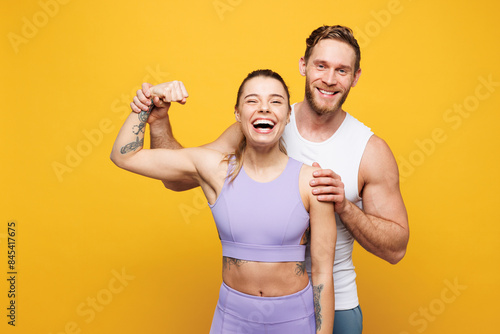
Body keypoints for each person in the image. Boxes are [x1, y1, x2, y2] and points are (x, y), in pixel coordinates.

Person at [131, 25, 409, 334]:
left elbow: (396, 248)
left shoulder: (369, 151)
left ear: (355, 77)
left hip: (335, 305)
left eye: (342, 70)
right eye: (321, 66)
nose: (330, 79)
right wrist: (158, 122)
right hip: (253, 308)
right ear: (303, 65)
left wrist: (344, 206)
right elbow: (180, 178)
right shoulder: (265, 122)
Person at [111, 69, 337, 333]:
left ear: (288, 115)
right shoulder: (214, 169)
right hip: (231, 321)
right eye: (252, 101)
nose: (264, 108)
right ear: (238, 114)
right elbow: (124, 155)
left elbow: (322, 275)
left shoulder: (312, 181)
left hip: (295, 321)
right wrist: (148, 100)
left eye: (275, 101)